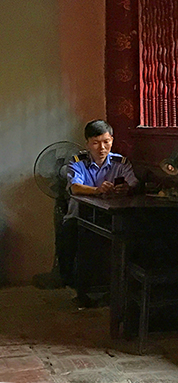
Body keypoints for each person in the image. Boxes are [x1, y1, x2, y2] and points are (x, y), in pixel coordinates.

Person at [57, 120, 138, 305]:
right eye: (95, 142)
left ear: (112, 140)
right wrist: (97, 190)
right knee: (74, 243)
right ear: (87, 143)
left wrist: (125, 189)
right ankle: (80, 291)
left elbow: (133, 182)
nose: (102, 148)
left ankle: (114, 291)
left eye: (106, 142)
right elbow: (75, 187)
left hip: (110, 218)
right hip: (80, 218)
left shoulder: (121, 162)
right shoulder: (77, 162)